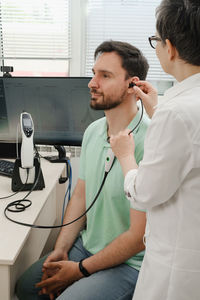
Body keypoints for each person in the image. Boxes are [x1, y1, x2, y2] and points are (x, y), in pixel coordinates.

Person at [16, 40, 150, 300]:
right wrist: (61, 248)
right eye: (93, 73)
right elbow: (80, 195)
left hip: (130, 263)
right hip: (88, 246)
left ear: (133, 85)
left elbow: (138, 238)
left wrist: (78, 270)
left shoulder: (151, 140)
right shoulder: (94, 131)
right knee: (26, 288)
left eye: (105, 76)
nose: (92, 83)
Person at [110, 1, 200, 300]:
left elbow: (145, 193)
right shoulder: (178, 109)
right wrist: (159, 109)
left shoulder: (175, 114)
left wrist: (124, 154)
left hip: (177, 272)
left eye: (157, 41)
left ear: (170, 48)